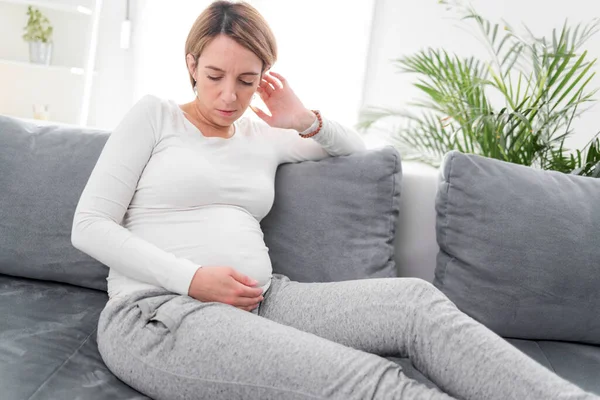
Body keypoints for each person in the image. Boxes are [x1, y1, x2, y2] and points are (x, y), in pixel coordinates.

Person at [71, 1, 598, 399]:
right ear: (191, 64)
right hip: (159, 313)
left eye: (247, 81)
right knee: (369, 382)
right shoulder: (155, 116)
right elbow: (90, 224)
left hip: (264, 298)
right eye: (214, 76)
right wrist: (191, 278)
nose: (229, 96)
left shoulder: (262, 137)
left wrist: (303, 120)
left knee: (415, 305)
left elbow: (354, 149)